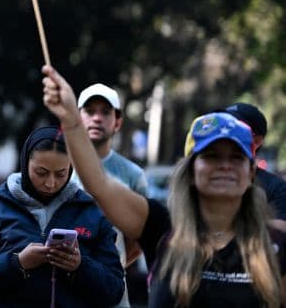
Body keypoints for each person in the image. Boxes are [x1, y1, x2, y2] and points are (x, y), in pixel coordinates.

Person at [42, 65, 286, 308]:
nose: (224, 165)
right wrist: (71, 118)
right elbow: (99, 184)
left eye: (236, 157)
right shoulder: (162, 228)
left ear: (251, 172)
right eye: (211, 156)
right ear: (190, 171)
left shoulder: (275, 243)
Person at [0, 125, 124, 308]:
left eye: (61, 174)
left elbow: (114, 291)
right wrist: (17, 264)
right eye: (41, 173)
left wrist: (80, 267)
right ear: (25, 162)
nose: (51, 183)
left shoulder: (91, 212)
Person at [74, 83, 147, 307]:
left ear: (118, 122)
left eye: (105, 112)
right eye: (89, 111)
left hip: (112, 295)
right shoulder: (58, 168)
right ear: (76, 118)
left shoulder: (133, 175)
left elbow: (141, 236)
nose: (97, 118)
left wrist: (110, 267)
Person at [224, 102, 286, 221]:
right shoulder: (205, 179)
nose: (225, 132)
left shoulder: (276, 188)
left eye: (237, 129)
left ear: (256, 141)